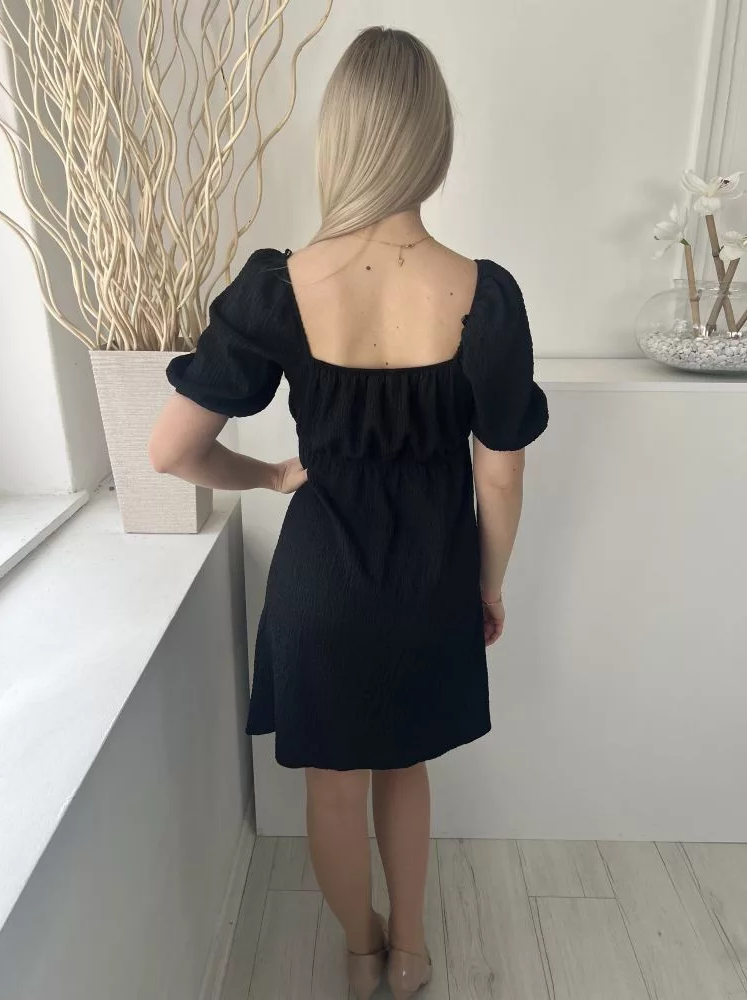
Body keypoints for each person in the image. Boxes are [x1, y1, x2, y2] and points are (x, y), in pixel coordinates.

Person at [149, 25, 548, 1000]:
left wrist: (268, 478)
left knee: (332, 788)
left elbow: (170, 451)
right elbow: (499, 478)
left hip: (321, 584)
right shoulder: (485, 297)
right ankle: (411, 954)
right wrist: (488, 584)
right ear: (434, 141)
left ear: (340, 141)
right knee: (405, 768)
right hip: (430, 578)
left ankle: (361, 950)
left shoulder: (279, 288)